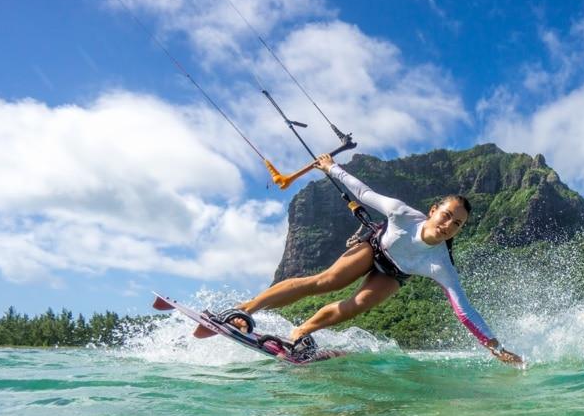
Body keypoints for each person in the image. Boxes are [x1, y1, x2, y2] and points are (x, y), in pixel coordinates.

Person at [213, 153, 523, 364]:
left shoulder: (441, 264)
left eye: (457, 224)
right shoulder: (402, 214)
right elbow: (363, 193)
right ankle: (243, 310)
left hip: (394, 273)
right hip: (373, 247)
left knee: (357, 305)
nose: (448, 226)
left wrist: (495, 348)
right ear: (433, 211)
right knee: (326, 282)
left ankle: (299, 333)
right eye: (446, 216)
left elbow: (465, 311)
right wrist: (331, 167)